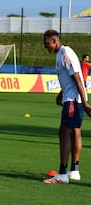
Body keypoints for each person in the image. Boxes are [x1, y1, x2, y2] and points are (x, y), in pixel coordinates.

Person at [42, 29, 91, 184]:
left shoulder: (64, 53)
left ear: (55, 41)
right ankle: (74, 171)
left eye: (47, 44)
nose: (46, 47)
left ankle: (62, 174)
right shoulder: (61, 54)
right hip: (72, 98)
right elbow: (69, 79)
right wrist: (61, 93)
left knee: (64, 132)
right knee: (75, 132)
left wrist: (85, 103)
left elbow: (77, 77)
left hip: (73, 100)